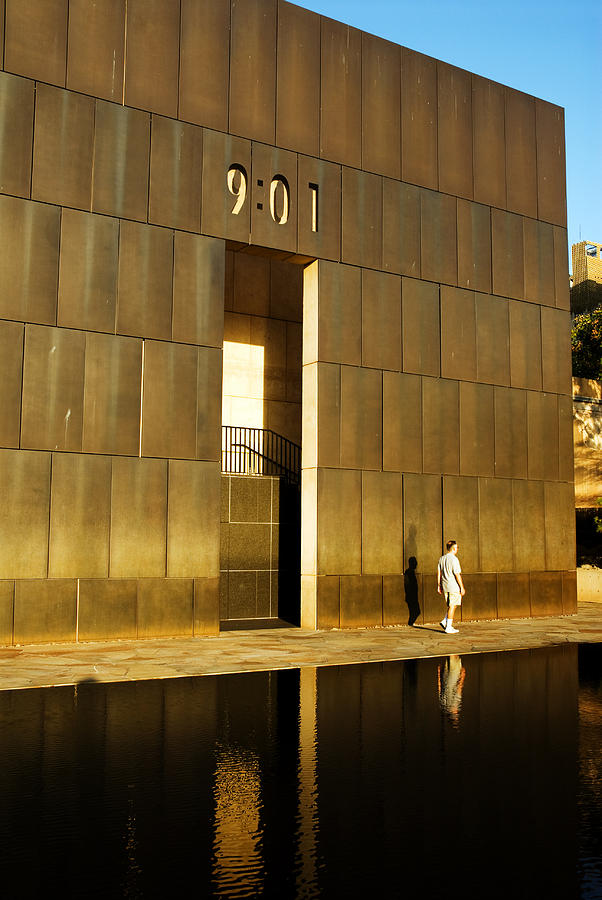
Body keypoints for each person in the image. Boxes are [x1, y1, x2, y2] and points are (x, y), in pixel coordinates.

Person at [437, 540, 465, 634]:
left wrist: (439, 585)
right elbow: (457, 574)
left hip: (445, 585)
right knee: (453, 605)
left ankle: (445, 621)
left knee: (451, 604)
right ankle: (448, 627)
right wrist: (462, 587)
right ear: (453, 548)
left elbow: (439, 573)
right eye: (457, 547)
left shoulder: (441, 559)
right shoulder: (454, 559)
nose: (457, 549)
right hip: (453, 585)